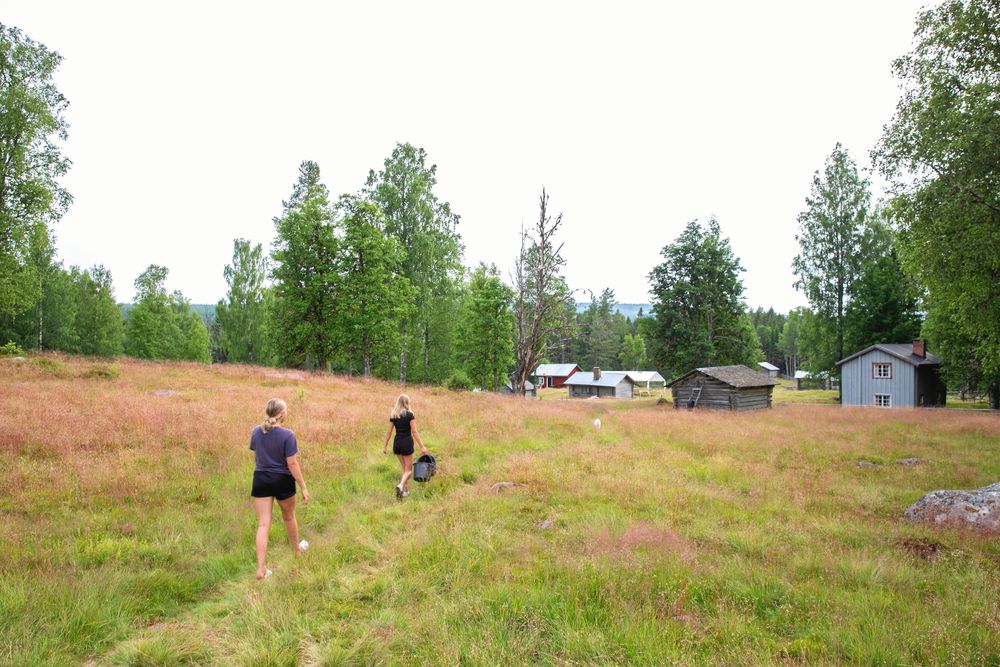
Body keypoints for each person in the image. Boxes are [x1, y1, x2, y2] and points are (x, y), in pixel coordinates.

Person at [250, 398, 310, 580]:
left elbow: (257, 455)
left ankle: (261, 569)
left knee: (263, 524)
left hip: (260, 478)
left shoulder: (255, 431)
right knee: (289, 517)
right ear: (282, 414)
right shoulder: (288, 435)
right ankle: (297, 551)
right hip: (282, 479)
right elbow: (291, 463)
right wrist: (303, 487)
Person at [382, 393, 428, 499]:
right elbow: (414, 432)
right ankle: (401, 485)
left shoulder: (394, 415)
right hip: (406, 443)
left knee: (404, 468)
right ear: (407, 402)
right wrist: (422, 446)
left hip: (397, 443)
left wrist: (385, 446)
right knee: (409, 470)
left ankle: (404, 492)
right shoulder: (410, 415)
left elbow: (389, 432)